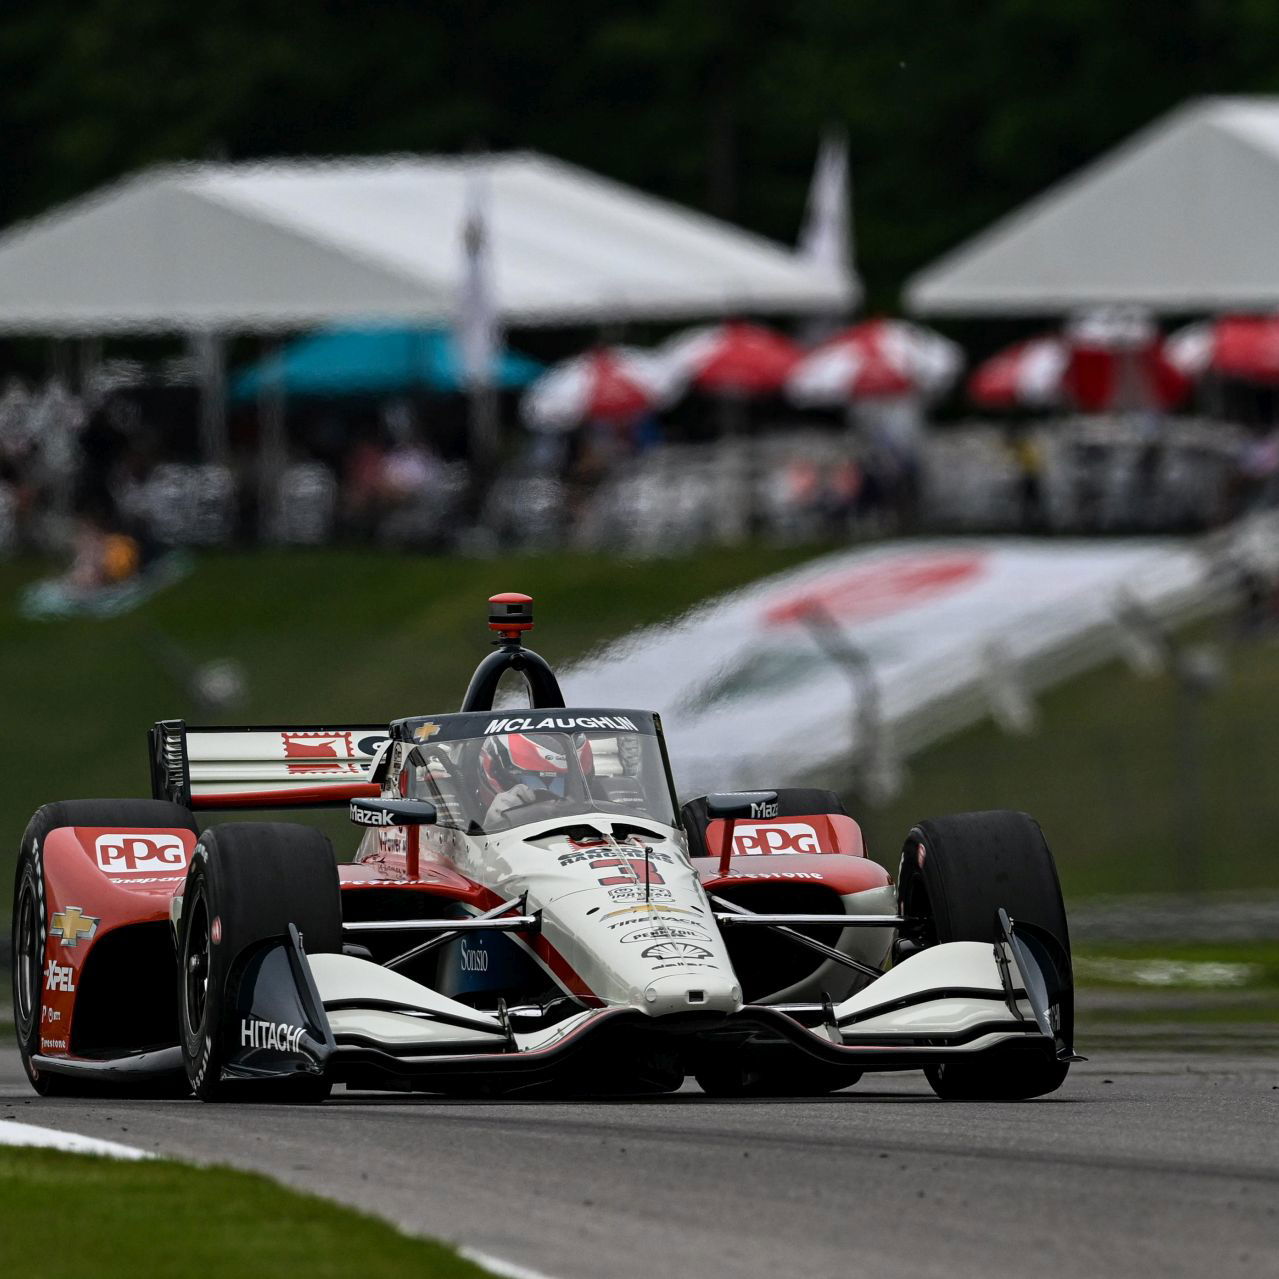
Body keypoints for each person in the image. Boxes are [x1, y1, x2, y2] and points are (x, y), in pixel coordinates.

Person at [477, 732, 594, 826]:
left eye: (561, 783)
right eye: (532, 782)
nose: (548, 796)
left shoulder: (597, 807)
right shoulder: (466, 822)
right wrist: (493, 826)